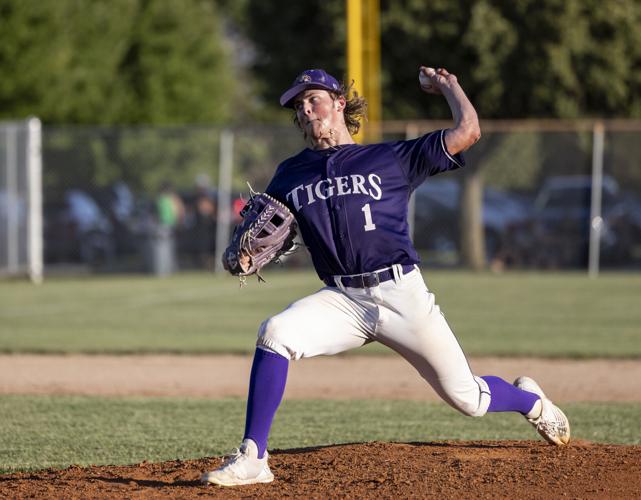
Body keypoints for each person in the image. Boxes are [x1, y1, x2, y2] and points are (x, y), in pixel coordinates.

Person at [201, 68, 570, 487]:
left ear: (339, 103)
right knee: (275, 332)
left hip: (401, 295)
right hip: (342, 299)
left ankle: (531, 403)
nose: (305, 111)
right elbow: (268, 228)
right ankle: (254, 457)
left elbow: (468, 131)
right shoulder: (290, 174)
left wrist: (449, 87)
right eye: (298, 108)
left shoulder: (390, 158)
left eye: (313, 100)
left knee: (469, 398)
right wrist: (247, 257)